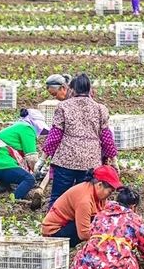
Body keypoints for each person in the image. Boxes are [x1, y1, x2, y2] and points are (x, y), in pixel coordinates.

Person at [42, 73, 118, 209]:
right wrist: (114, 161)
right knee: (86, 199)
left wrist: (43, 158)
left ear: (72, 89)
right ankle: (81, 226)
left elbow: (55, 135)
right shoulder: (100, 108)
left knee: (58, 197)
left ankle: (52, 226)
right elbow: (107, 138)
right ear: (89, 89)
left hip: (66, 160)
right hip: (90, 163)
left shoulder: (63, 107)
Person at [71, 186, 144, 269]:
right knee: (130, 261)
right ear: (133, 206)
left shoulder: (101, 214)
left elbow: (90, 234)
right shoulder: (134, 219)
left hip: (86, 267)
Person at [0, 109, 48, 208]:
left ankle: (2, 184)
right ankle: (15, 199)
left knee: (16, 174)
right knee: (28, 179)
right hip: (1, 162)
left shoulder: (16, 127)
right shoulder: (27, 129)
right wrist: (38, 171)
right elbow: (31, 157)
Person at [41, 165, 122, 248]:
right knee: (96, 222)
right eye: (110, 192)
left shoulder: (94, 191)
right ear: (99, 185)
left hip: (67, 224)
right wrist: (107, 239)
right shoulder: (85, 201)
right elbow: (83, 234)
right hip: (54, 234)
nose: (110, 195)